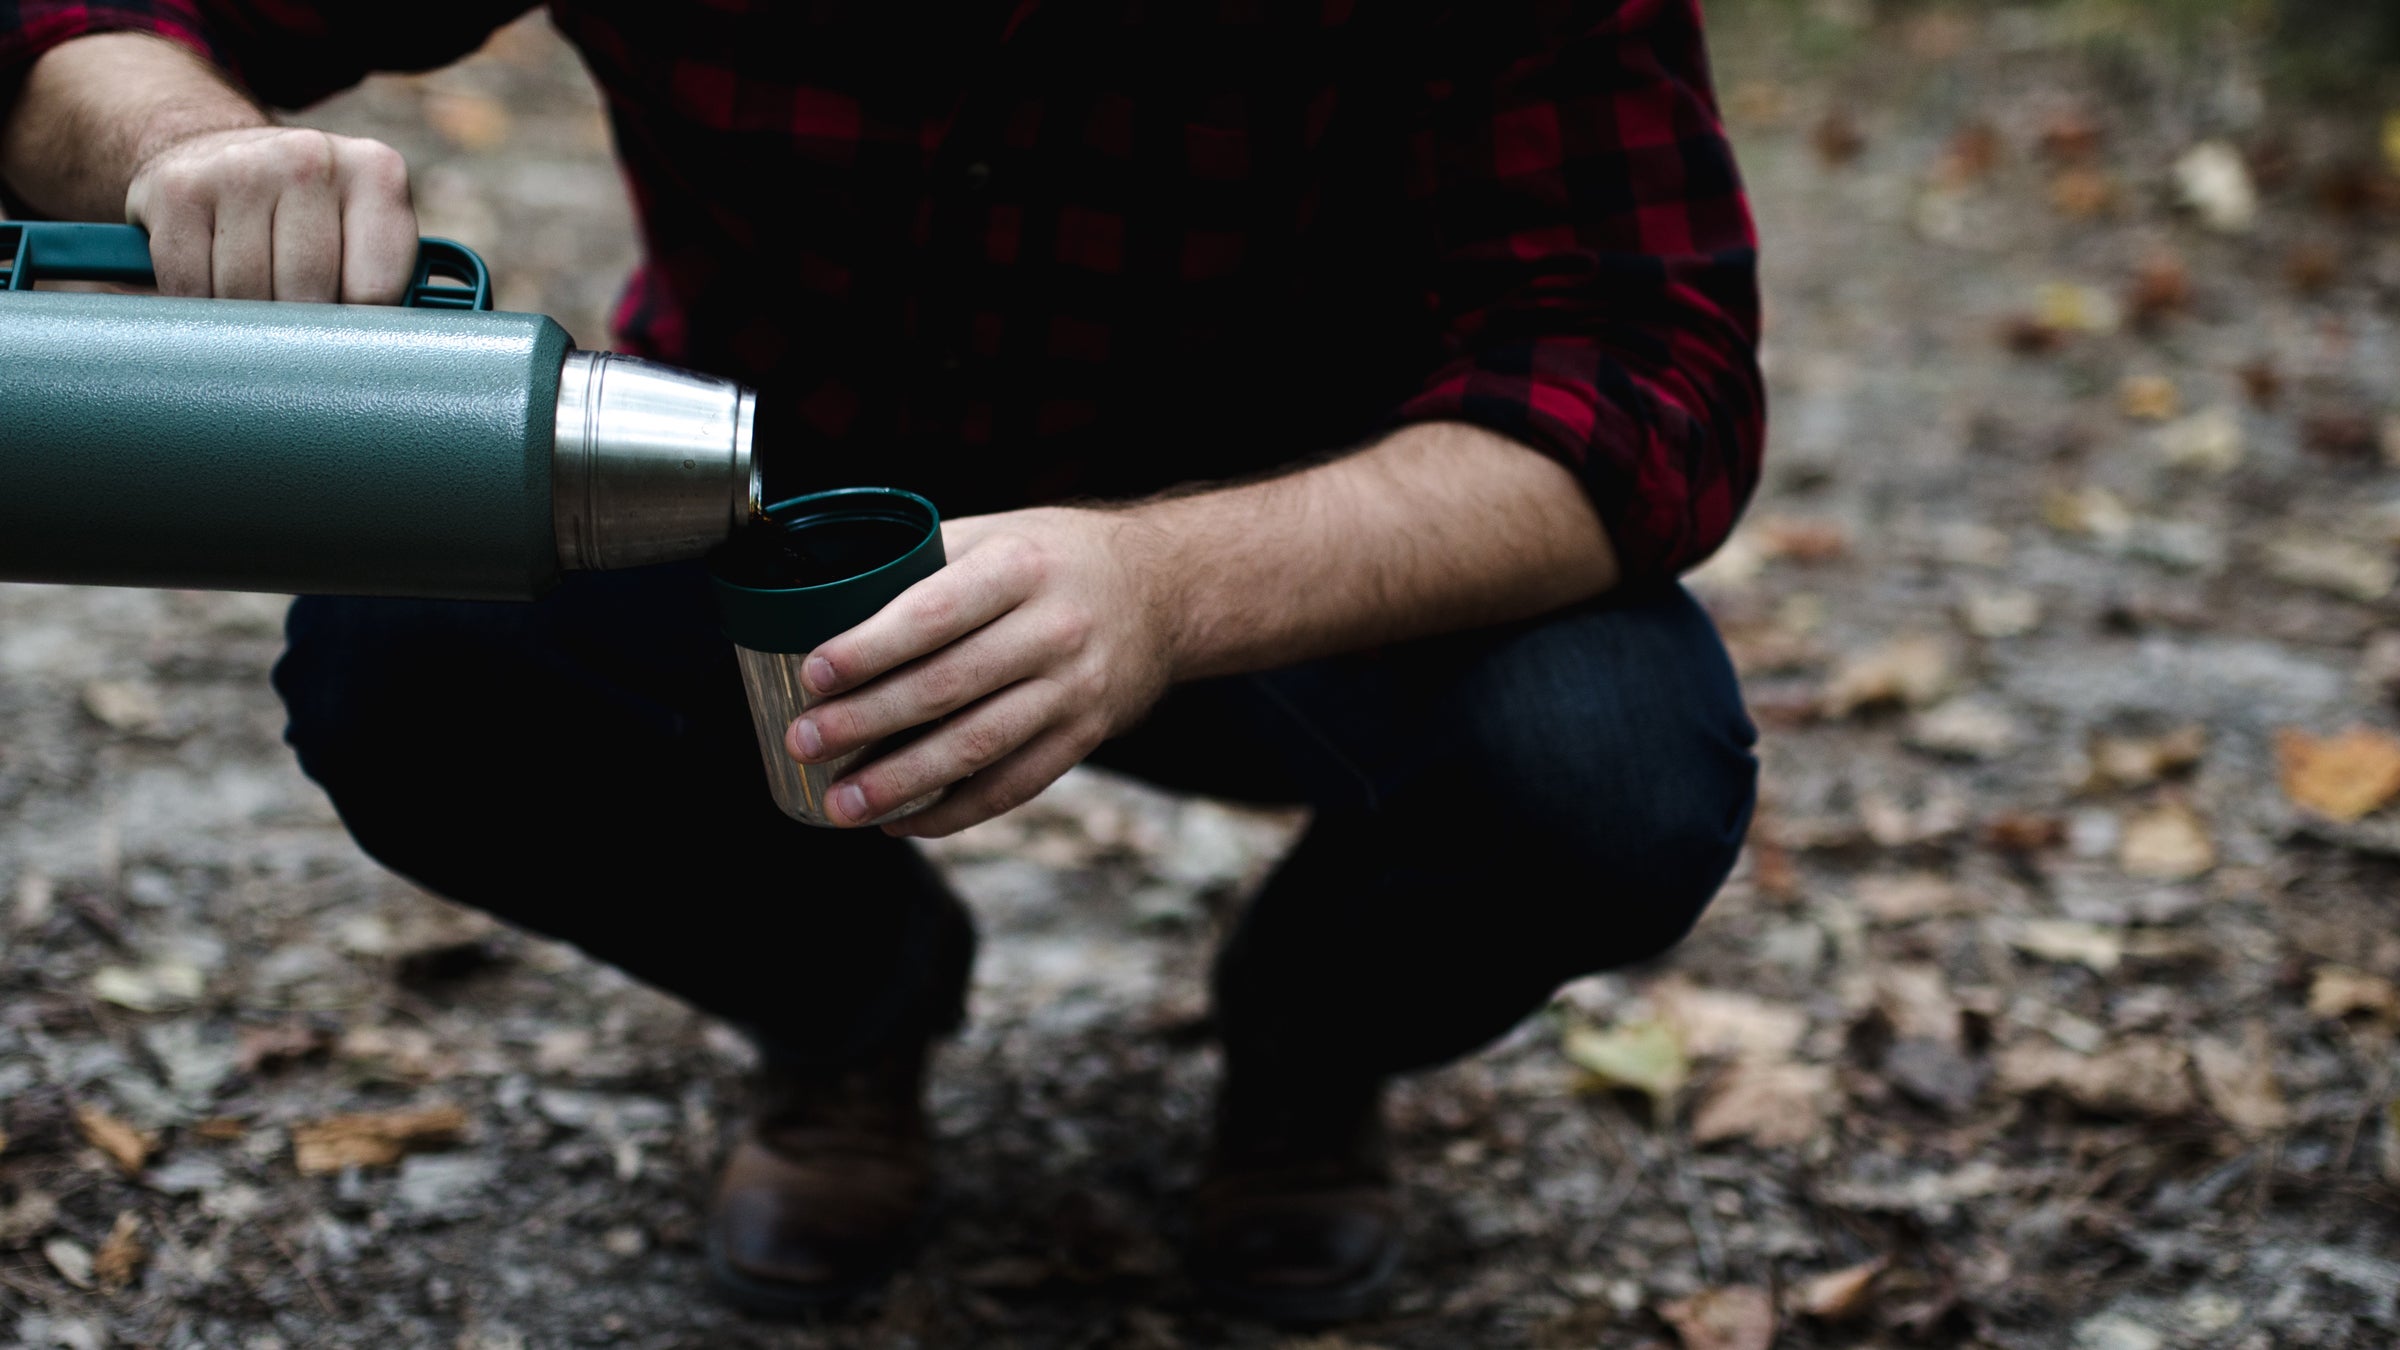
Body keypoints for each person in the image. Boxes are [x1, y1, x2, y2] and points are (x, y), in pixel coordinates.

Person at [0, 0, 1763, 1323]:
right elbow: (79, 15)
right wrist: (177, 143)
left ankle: (1311, 1042)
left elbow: (1649, 375)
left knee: (1608, 767)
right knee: (408, 656)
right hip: (764, 510)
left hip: (1302, 557)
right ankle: (848, 1008)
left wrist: (1164, 586)